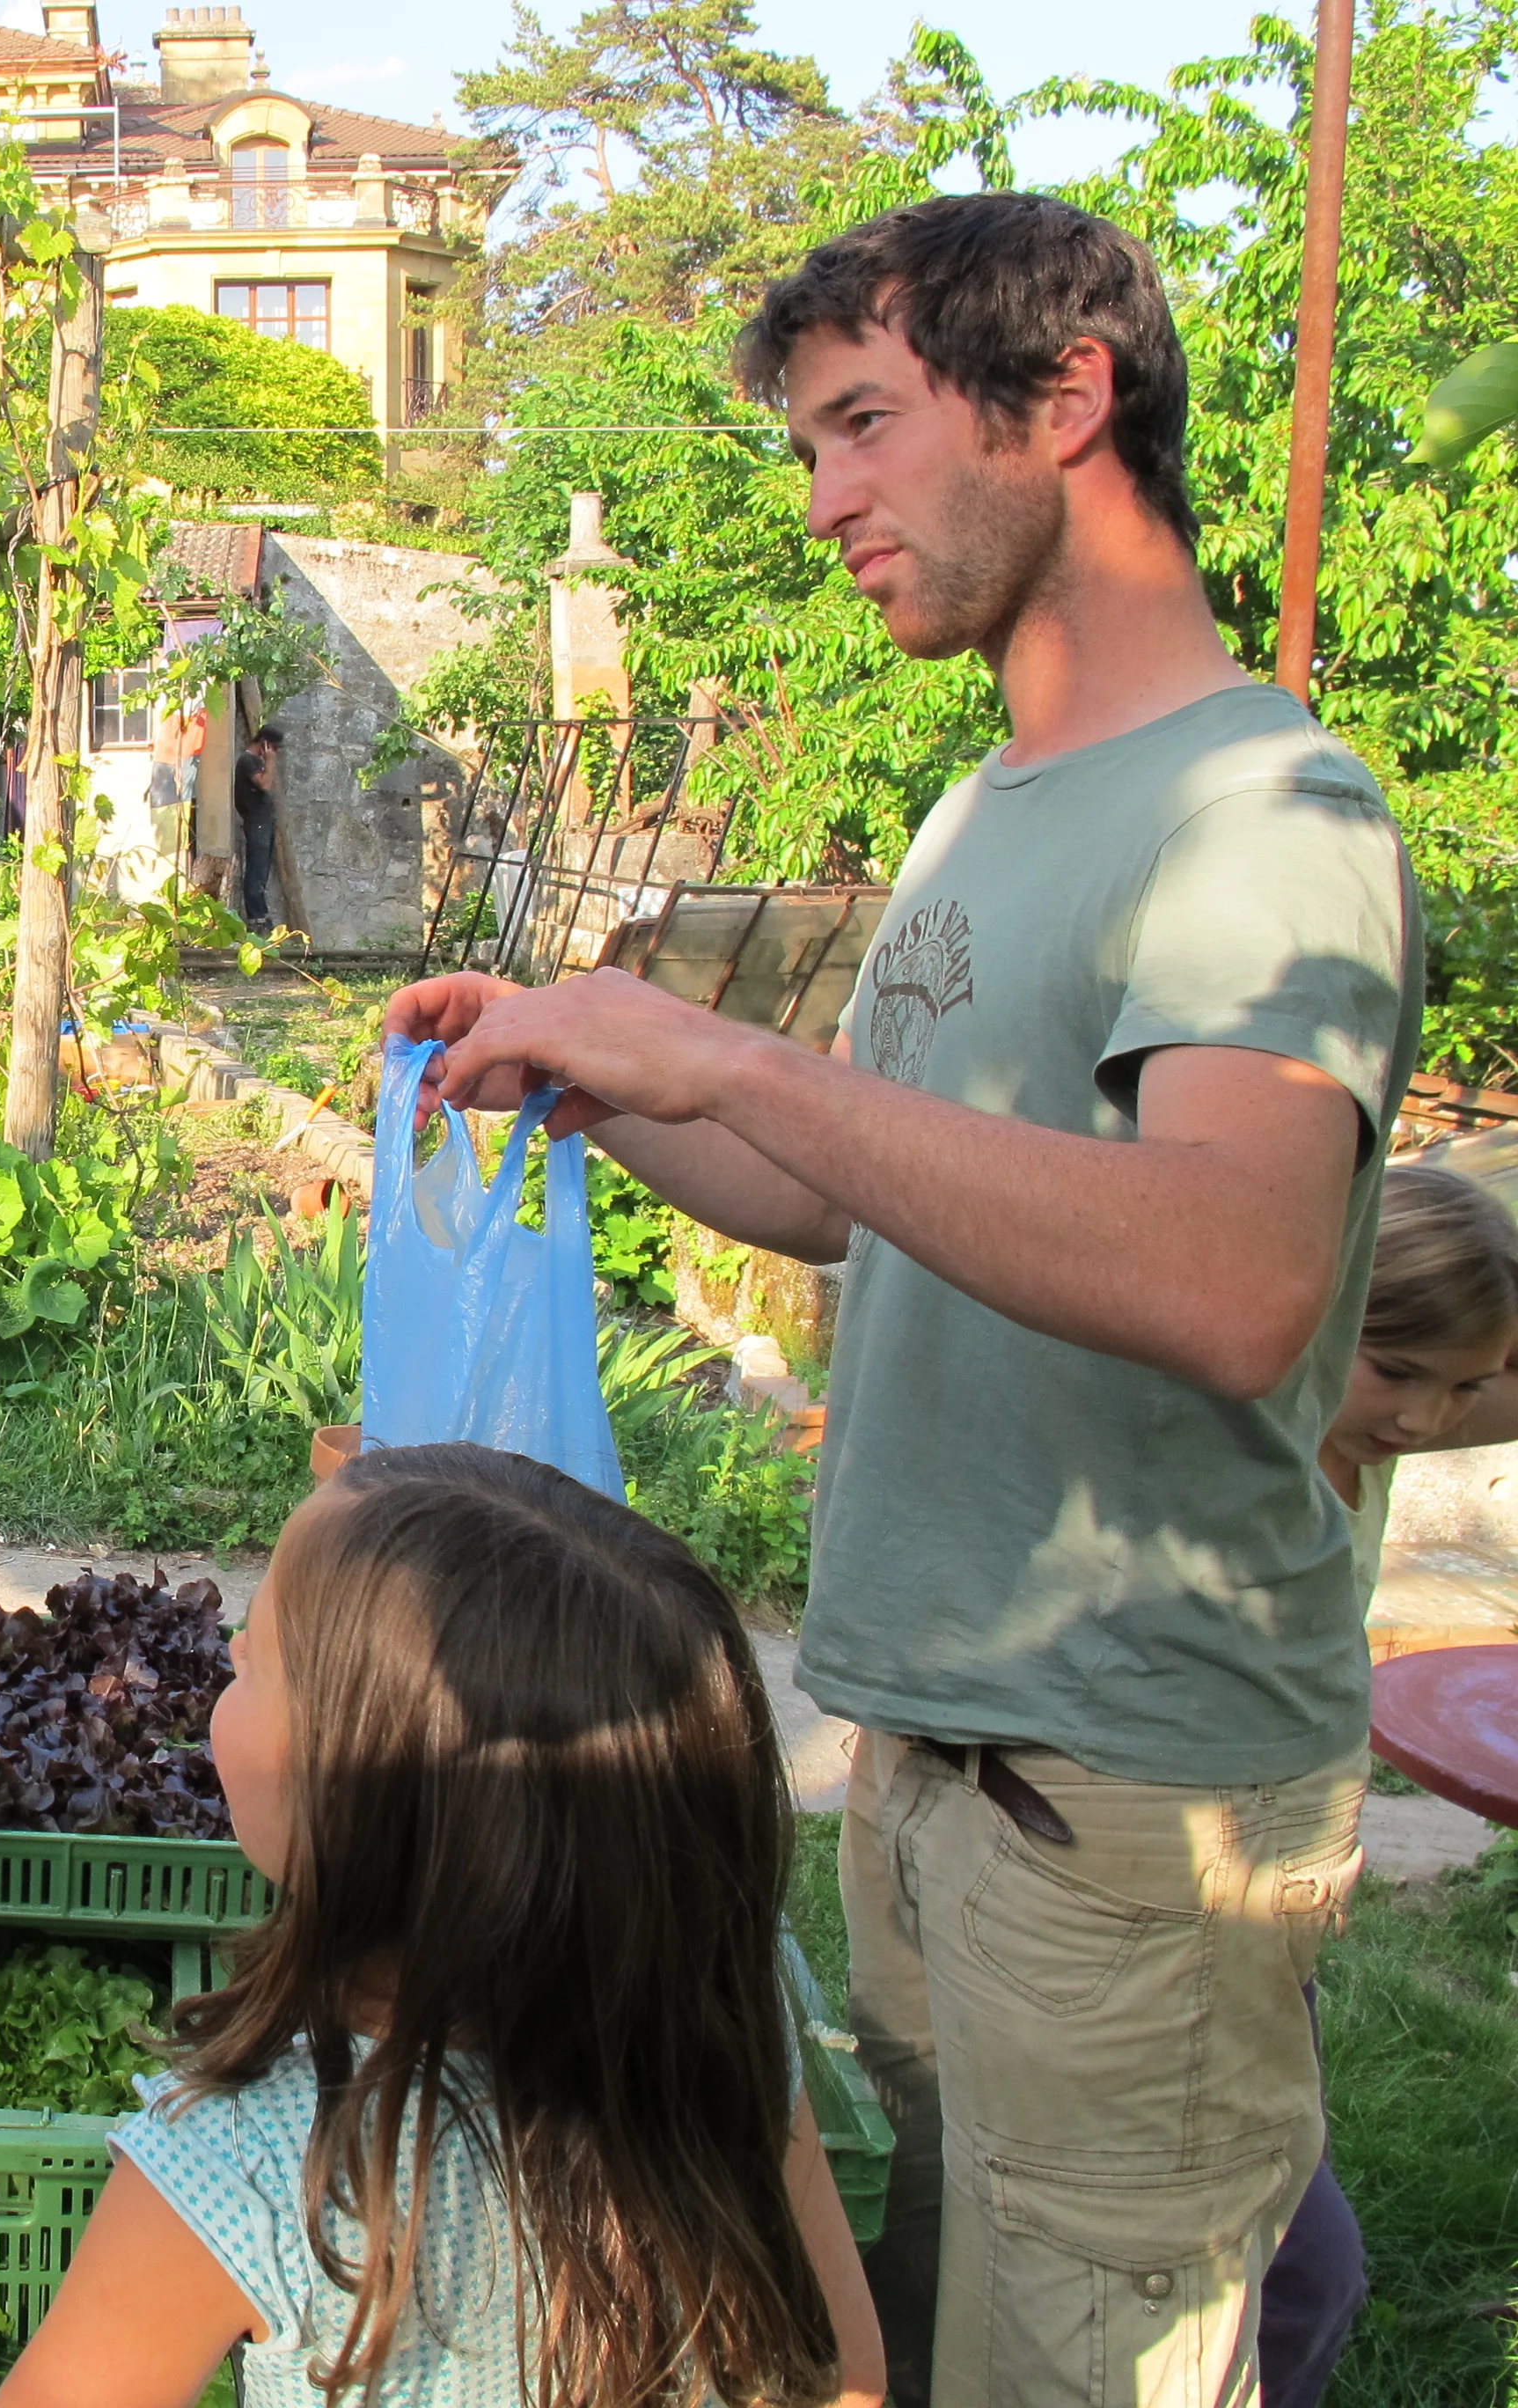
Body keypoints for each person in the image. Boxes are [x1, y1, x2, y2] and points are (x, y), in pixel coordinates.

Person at [386, 193, 1420, 2406]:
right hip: (941, 1761)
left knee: (1090, 2361)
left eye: (863, 425)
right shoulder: (992, 801)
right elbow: (870, 1191)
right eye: (809, 448)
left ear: (1067, 399)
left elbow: (1237, 1279)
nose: (828, 498)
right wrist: (595, 1078)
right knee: (950, 2324)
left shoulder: (1259, 804)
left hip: (1127, 1789)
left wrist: (742, 1050)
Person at [0, 1443, 885, 2408]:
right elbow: (846, 2375)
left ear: (360, 1797)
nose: (230, 1659)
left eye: (257, 1656)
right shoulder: (727, 2015)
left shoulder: (250, 2165)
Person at [1256, 1161, 1518, 2408]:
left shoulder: (1373, 1428)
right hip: (1189, 1891)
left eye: (1465, 1386)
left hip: (1279, 1908)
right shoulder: (1255, 1446)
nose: (1425, 1420)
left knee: (1293, 2260)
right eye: (1398, 1372)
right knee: (1306, 2272)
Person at [233, 726, 284, 934]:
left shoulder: (256, 762)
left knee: (262, 871)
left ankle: (261, 915)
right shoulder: (248, 761)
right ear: (264, 743)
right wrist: (270, 762)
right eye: (273, 747)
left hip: (264, 822)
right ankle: (257, 918)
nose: (275, 752)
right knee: (256, 871)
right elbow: (264, 784)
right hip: (257, 822)